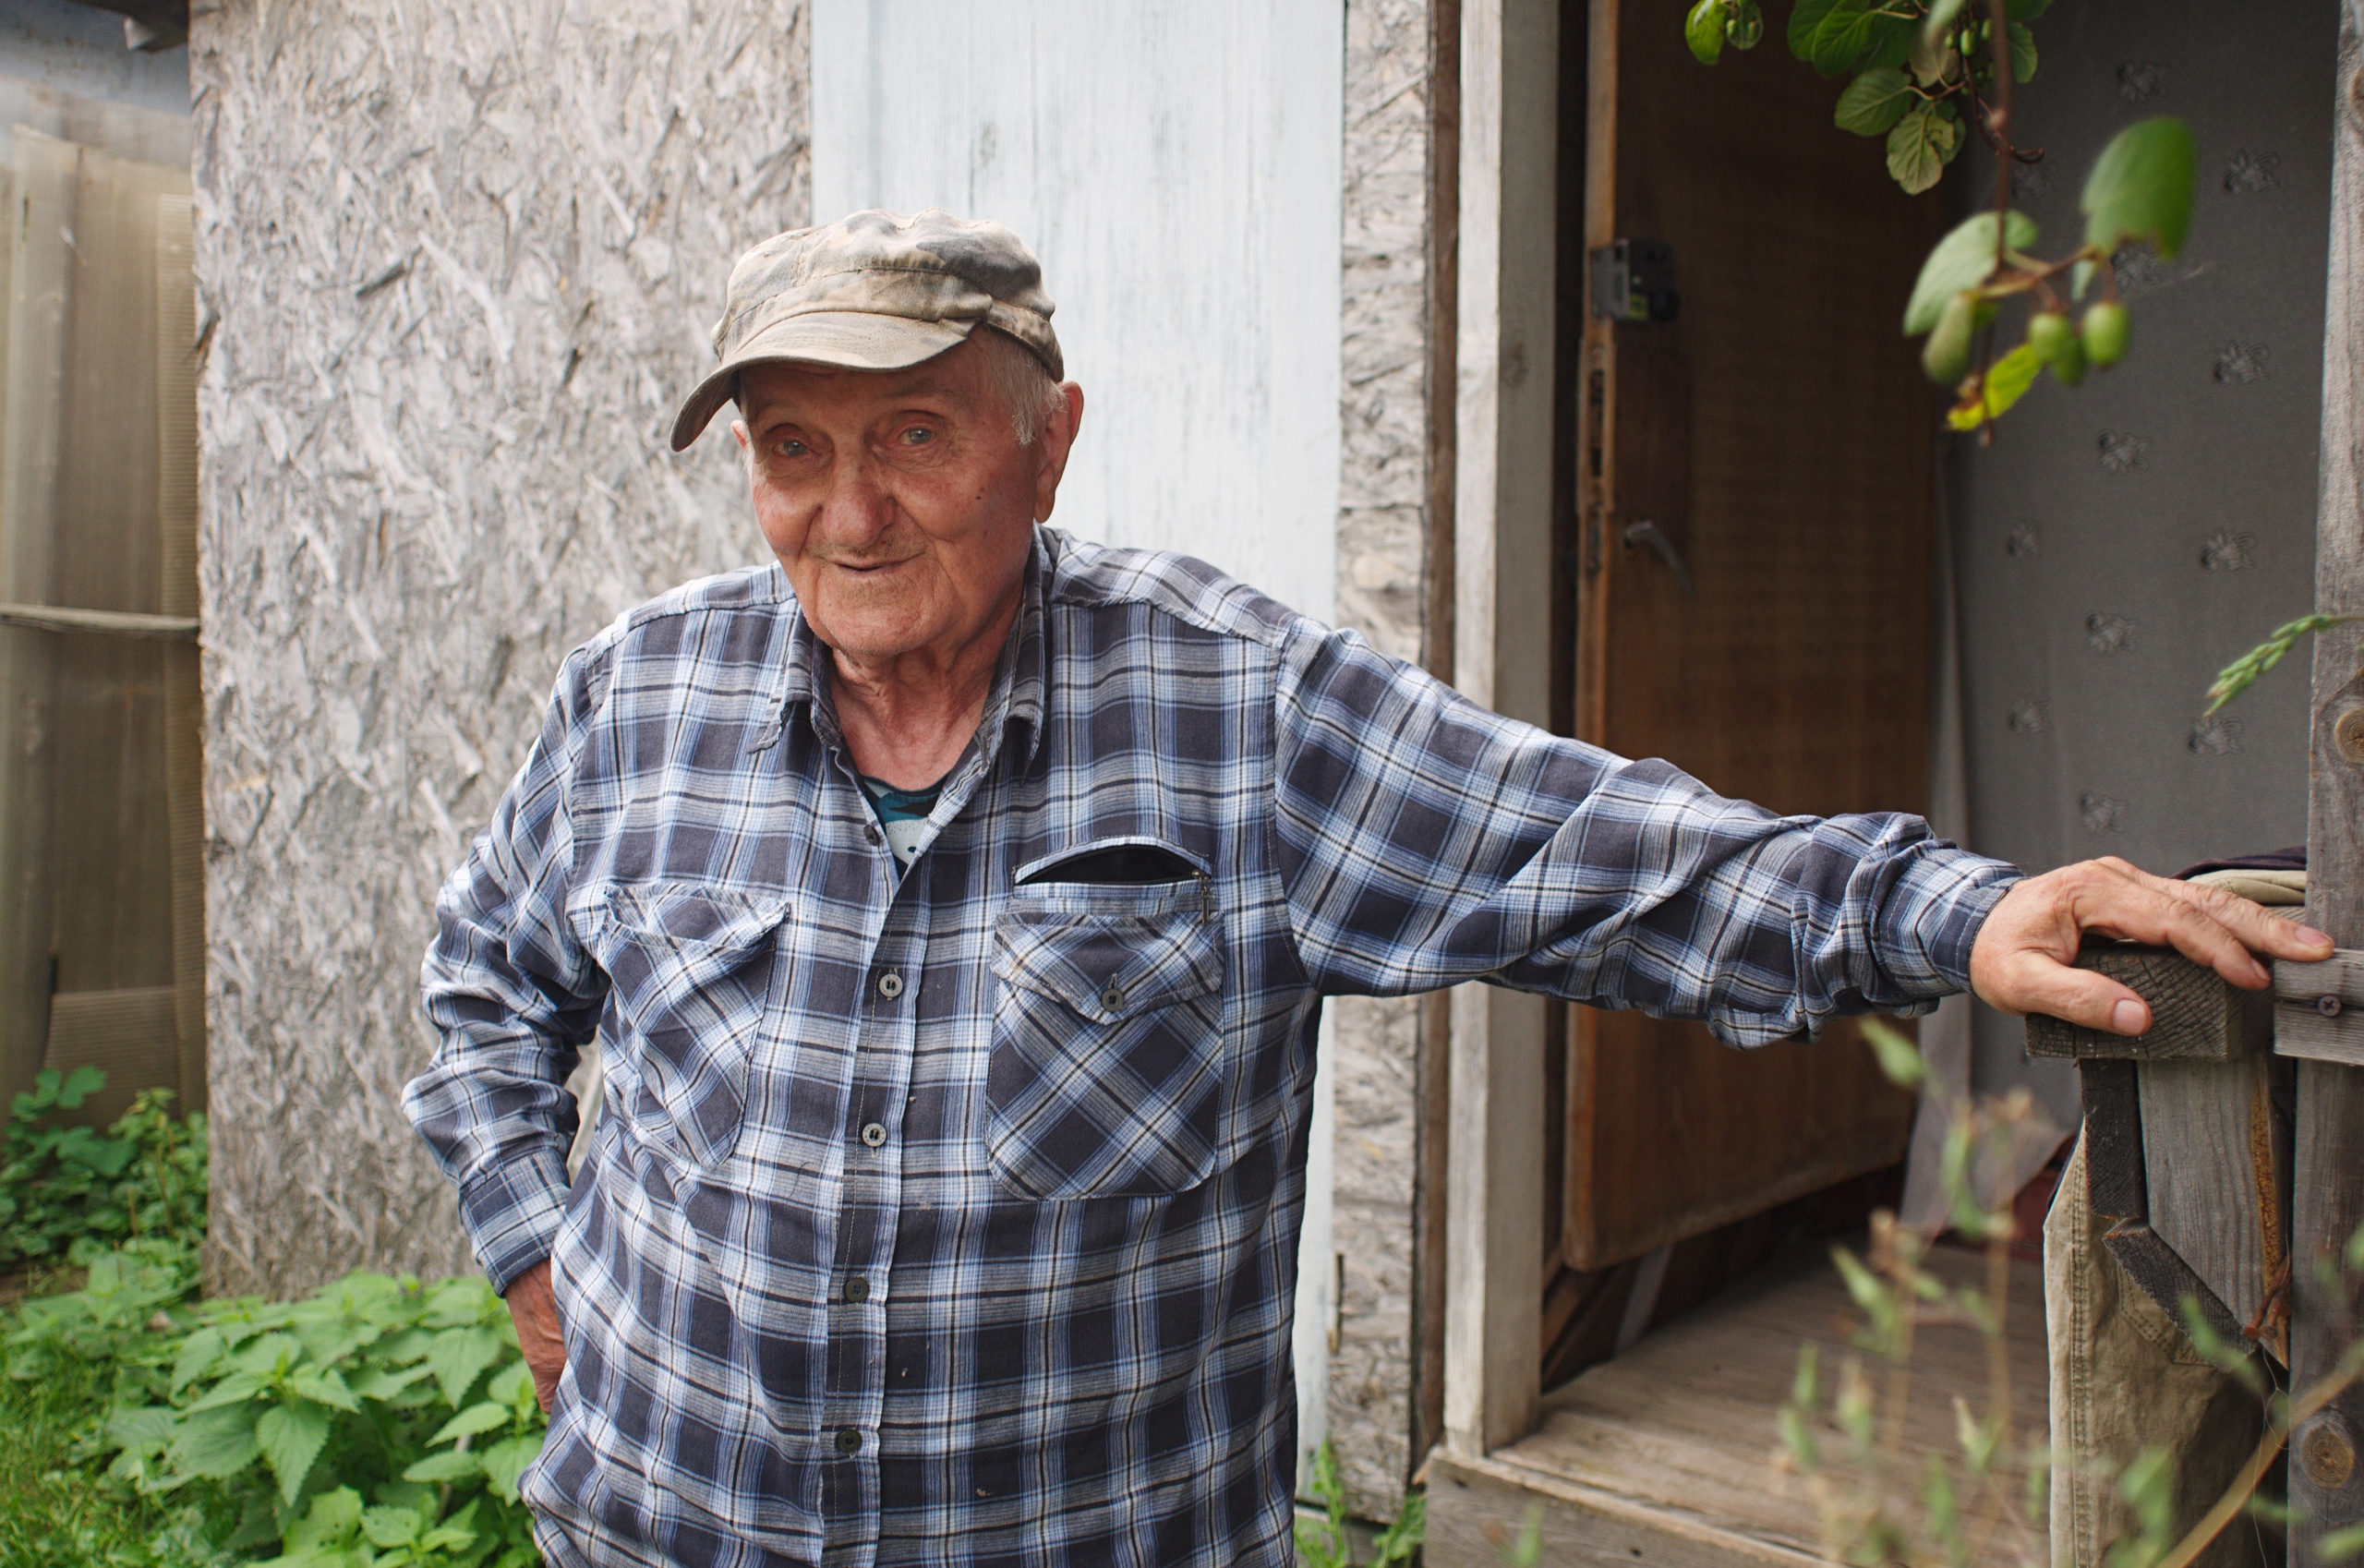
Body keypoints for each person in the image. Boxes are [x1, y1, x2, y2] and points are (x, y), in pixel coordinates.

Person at [404, 208, 2329, 1567]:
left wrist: (1946, 911)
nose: (846, 514)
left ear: (1042, 443)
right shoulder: (633, 695)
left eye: (911, 435)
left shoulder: (1235, 715)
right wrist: (526, 1241)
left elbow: (1585, 856)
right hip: (658, 1531)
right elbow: (487, 983)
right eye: (790, 451)